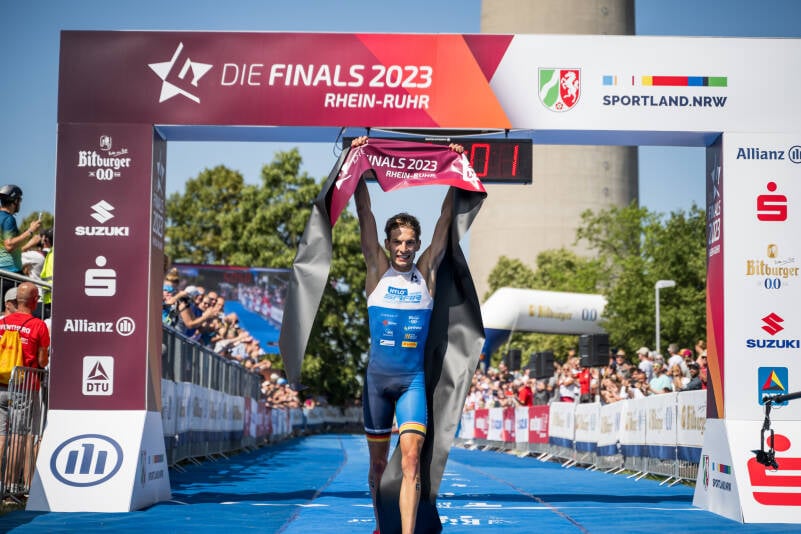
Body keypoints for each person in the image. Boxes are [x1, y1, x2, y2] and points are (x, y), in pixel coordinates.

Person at [354, 135, 461, 534]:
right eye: (397, 242)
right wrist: (358, 164)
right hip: (377, 384)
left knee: (412, 460)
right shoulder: (376, 270)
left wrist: (454, 170)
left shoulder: (426, 272)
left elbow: (445, 220)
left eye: (410, 242)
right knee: (378, 465)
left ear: (417, 245)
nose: (403, 248)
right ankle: (381, 526)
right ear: (386, 244)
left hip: (411, 383)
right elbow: (364, 212)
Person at [0, 282, 49, 490]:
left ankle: (0, 485)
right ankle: (11, 484)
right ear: (35, 300)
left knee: (2, 436)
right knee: (19, 436)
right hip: (24, 387)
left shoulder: (2, 323)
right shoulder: (38, 325)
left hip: (1, 384)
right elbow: (42, 361)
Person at [0, 185, 41, 298]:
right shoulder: (8, 219)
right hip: (9, 274)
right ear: (15, 201)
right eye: (20, 200)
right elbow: (9, 245)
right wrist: (30, 231)